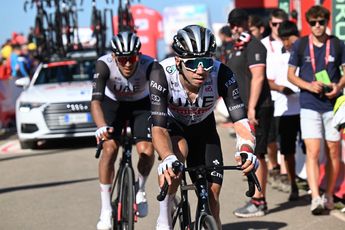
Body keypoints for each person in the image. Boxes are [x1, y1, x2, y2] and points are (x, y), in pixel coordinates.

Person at [150, 25, 258, 230]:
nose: (201, 70)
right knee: (177, 153)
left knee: (212, 194)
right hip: (172, 127)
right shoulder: (161, 72)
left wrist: (246, 149)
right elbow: (158, 128)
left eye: (206, 62)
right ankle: (164, 215)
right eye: (192, 64)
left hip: (204, 128)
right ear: (178, 61)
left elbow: (241, 121)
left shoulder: (222, 73)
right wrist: (167, 156)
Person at [91, 31, 155, 230]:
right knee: (109, 149)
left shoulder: (149, 64)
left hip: (141, 105)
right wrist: (101, 126)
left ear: (139, 55)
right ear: (114, 57)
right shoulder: (104, 64)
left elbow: (160, 97)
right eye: (123, 59)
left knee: (146, 150)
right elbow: (95, 101)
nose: (128, 63)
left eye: (132, 58)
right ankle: (105, 210)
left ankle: (141, 190)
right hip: (113, 105)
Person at [288, 5, 345, 215]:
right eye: (313, 23)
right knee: (312, 151)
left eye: (321, 22)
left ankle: (329, 194)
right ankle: (315, 197)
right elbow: (291, 75)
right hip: (309, 104)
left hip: (333, 105)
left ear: (327, 22)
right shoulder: (301, 45)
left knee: (333, 151)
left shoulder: (338, 44)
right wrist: (309, 85)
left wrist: (338, 87)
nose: (318, 26)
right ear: (308, 24)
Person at [226, 9, 273, 218]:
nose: (235, 28)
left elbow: (258, 77)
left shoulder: (254, 45)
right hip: (242, 109)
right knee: (247, 154)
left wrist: (252, 108)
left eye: (238, 23)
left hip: (257, 108)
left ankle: (259, 201)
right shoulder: (236, 47)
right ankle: (255, 198)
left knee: (257, 154)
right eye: (232, 24)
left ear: (247, 23)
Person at [270, 20, 301, 201]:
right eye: (285, 39)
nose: (288, 43)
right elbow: (267, 80)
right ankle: (293, 185)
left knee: (310, 149)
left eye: (291, 38)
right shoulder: (276, 58)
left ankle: (312, 186)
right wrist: (282, 88)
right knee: (287, 150)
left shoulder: (305, 53)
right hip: (284, 110)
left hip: (306, 106)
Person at [261, 8, 288, 192]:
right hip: (270, 100)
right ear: (270, 24)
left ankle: (285, 174)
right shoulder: (262, 44)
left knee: (286, 141)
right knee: (271, 141)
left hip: (292, 101)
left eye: (281, 23)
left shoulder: (291, 43)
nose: (278, 27)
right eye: (274, 24)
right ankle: (273, 167)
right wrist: (277, 87)